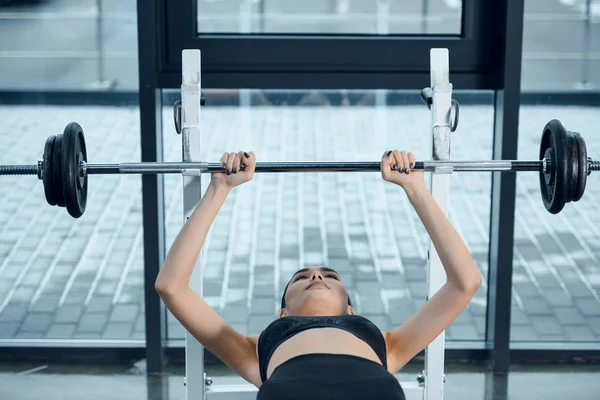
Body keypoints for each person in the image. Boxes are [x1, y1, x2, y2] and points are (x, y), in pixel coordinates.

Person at [155, 150, 482, 400]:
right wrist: (219, 189)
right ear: (283, 313)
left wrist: (416, 188)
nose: (315, 276)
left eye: (329, 275)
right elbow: (171, 287)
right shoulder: (254, 350)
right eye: (301, 277)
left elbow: (465, 283)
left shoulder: (387, 344)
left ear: (351, 311)